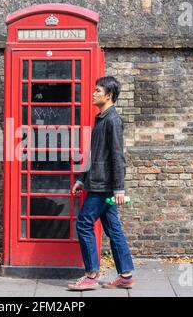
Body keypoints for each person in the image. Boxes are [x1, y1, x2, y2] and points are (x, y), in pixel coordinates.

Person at [68, 76, 135, 290]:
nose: (93, 93)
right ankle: (125, 275)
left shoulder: (112, 120)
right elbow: (95, 156)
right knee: (113, 228)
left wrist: (119, 189)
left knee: (84, 223)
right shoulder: (102, 118)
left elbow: (117, 156)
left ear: (109, 95)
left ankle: (91, 275)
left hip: (104, 186)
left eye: (98, 90)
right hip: (97, 182)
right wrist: (81, 179)